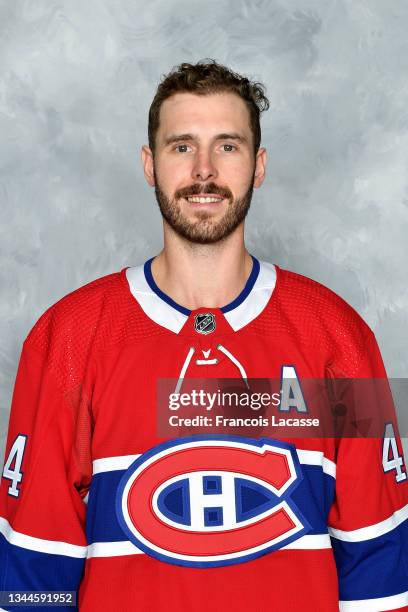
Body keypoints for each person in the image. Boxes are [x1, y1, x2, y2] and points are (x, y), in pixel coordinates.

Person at [1, 59, 407, 612]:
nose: (204, 170)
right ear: (149, 164)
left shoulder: (335, 337)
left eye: (228, 146)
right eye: (182, 146)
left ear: (259, 166)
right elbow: (34, 567)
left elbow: (378, 563)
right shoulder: (69, 338)